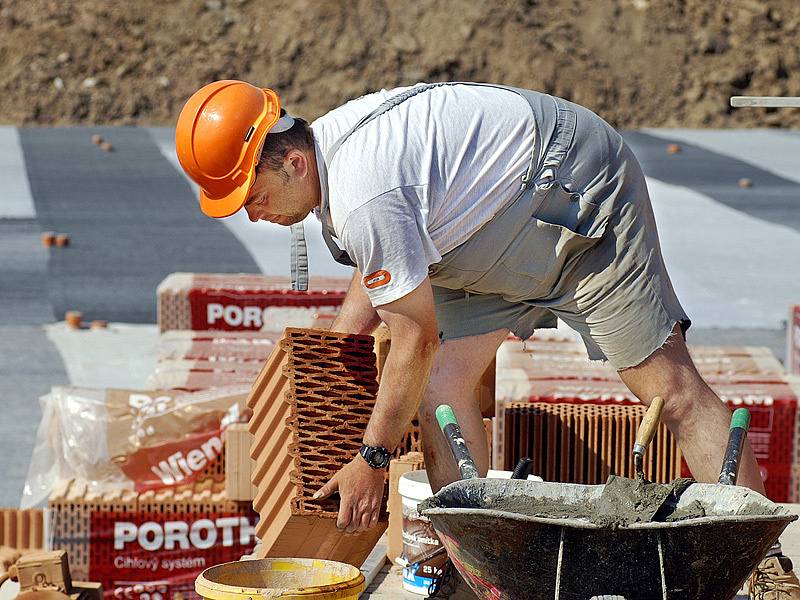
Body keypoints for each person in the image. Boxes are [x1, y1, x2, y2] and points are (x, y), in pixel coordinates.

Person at [176, 79, 798, 598]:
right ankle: (480, 567)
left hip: (576, 195)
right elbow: (383, 271)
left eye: (252, 198)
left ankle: (760, 563)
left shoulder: (365, 188)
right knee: (439, 391)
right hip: (491, 229)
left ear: (293, 161)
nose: (252, 215)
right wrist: (333, 360)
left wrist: (371, 458)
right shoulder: (336, 168)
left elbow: (414, 334)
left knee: (668, 387)